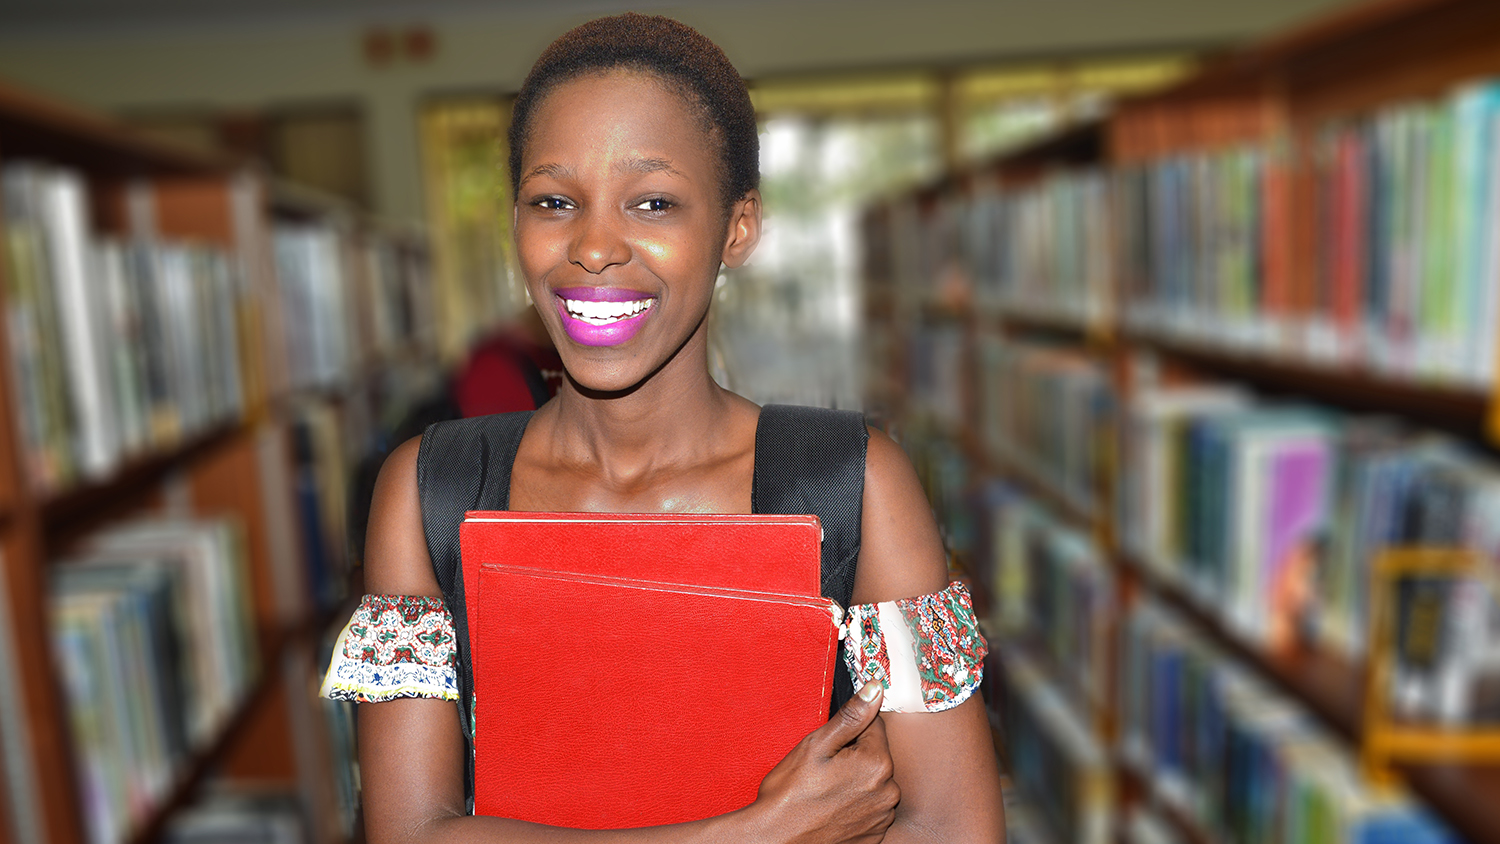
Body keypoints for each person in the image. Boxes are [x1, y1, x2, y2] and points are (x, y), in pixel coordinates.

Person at [322, 13, 1005, 843]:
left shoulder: (853, 484)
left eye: (653, 201)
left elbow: (952, 826)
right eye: (553, 200)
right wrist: (758, 832)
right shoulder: (433, 491)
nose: (595, 246)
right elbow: (408, 836)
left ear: (737, 228)